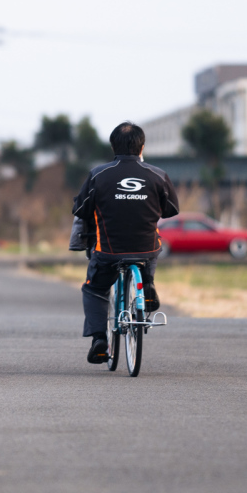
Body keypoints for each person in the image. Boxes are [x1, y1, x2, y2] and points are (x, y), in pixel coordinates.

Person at [71, 121, 179, 364]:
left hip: (108, 251)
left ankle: (99, 339)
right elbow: (171, 210)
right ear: (142, 147)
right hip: (146, 248)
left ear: (113, 147)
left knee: (95, 289)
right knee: (151, 250)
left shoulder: (98, 174)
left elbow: (79, 208)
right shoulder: (158, 175)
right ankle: (147, 284)